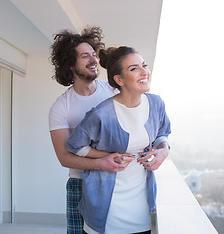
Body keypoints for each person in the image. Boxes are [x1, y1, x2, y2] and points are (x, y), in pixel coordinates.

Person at [66, 46, 171, 234]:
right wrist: (107, 156)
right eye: (134, 68)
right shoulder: (101, 114)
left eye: (143, 65)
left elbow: (163, 133)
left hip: (142, 209)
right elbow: (75, 146)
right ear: (119, 80)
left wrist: (163, 150)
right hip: (107, 209)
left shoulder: (156, 104)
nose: (144, 72)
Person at [49, 27, 135, 234]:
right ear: (71, 64)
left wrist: (163, 145)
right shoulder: (61, 107)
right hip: (80, 186)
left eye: (93, 55)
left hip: (119, 181)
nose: (93, 60)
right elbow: (64, 157)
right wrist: (100, 163)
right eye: (85, 56)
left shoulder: (115, 92)